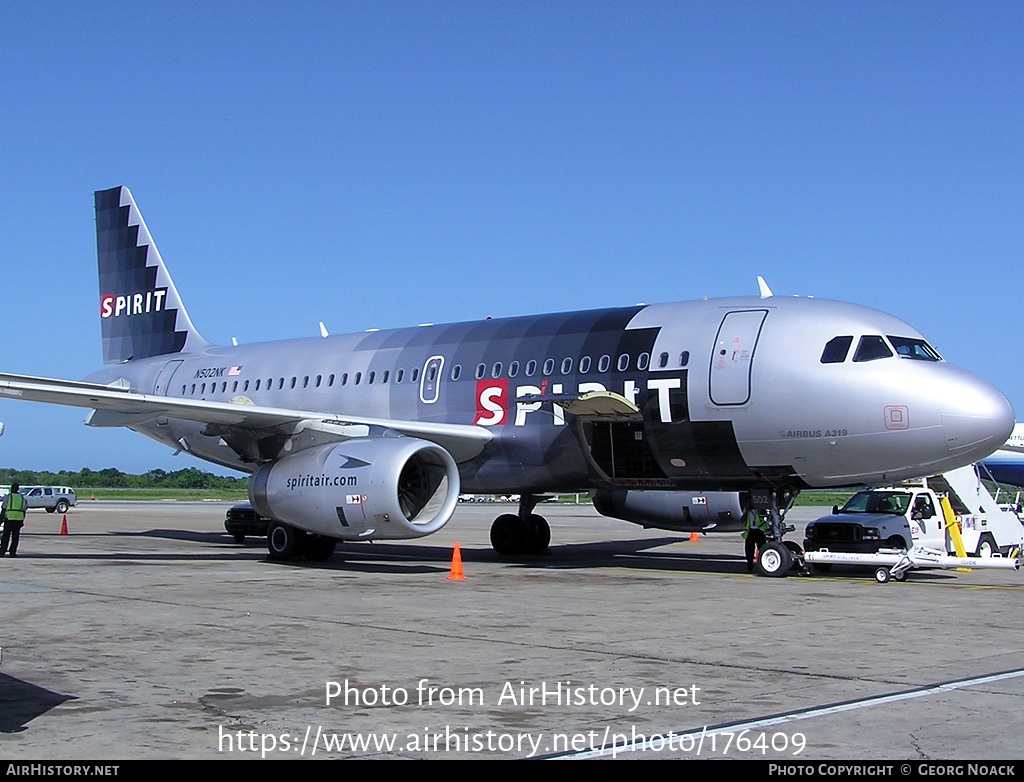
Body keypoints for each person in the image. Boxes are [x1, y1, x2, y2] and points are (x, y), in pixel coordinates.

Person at [1, 483, 27, 557]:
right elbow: (24, 510)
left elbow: (4, 509)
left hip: (9, 518)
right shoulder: (22, 498)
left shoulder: (8, 497)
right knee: (15, 537)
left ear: (11, 489)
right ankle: (12, 553)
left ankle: (2, 552)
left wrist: (1, 520)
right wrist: (22, 521)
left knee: (5, 536)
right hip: (19, 519)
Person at [742, 505, 768, 572]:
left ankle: (763, 563)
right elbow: (742, 519)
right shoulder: (748, 511)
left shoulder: (759, 509)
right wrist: (746, 511)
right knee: (749, 549)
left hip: (759, 530)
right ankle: (750, 564)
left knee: (762, 548)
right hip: (750, 531)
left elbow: (764, 515)